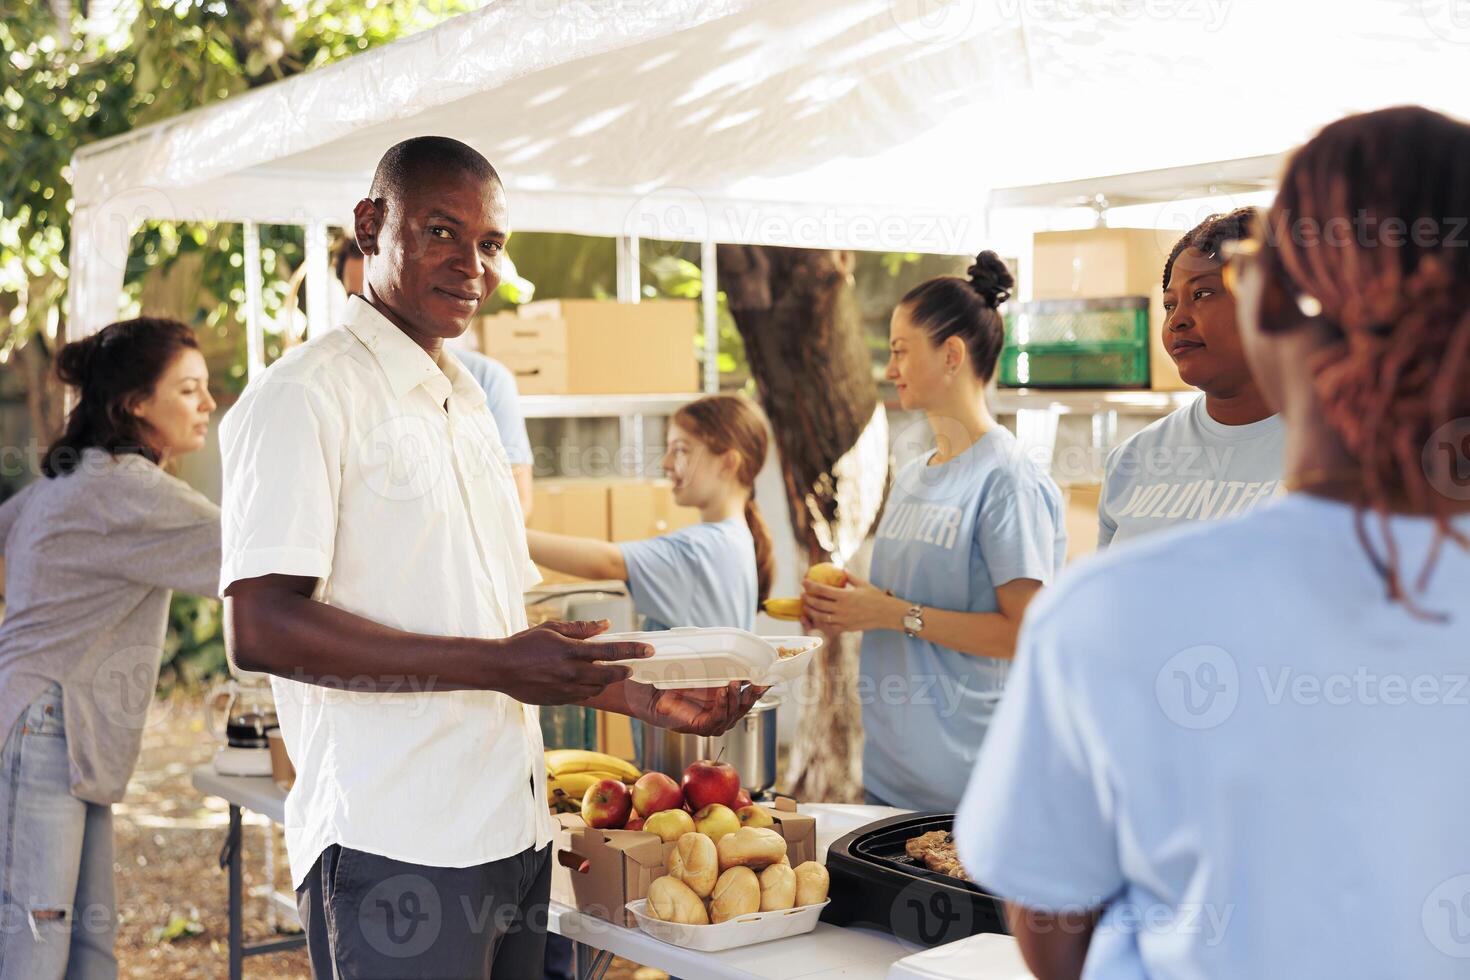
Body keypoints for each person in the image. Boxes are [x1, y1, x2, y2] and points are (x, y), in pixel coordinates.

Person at [219, 136, 759, 980]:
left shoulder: (467, 401)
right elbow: (262, 626)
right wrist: (499, 664)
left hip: (513, 830)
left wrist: (642, 695)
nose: (472, 264)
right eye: (441, 231)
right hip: (395, 843)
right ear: (371, 225)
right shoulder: (303, 396)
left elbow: (499, 630)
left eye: (491, 243)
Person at [957, 106, 1470, 980]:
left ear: (1267, 303)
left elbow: (1051, 922)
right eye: (1173, 301)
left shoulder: (1105, 613)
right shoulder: (1131, 513)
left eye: (1211, 289)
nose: (1181, 316)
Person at [803, 252, 1067, 812]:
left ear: (951, 355)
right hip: (890, 784)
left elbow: (1025, 633)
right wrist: (849, 604)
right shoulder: (915, 475)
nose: (889, 367)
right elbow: (903, 602)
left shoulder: (1008, 479)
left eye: (900, 350)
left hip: (978, 793)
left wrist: (888, 613)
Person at [0, 318, 221, 980]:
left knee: (87, 946)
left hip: (66, 730)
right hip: (44, 722)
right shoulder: (127, 487)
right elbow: (260, 558)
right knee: (36, 942)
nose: (208, 403)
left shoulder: (72, 479)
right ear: (133, 404)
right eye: (188, 390)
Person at [1097, 208, 1285, 547]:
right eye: (1169, 304)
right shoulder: (1133, 459)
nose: (1177, 320)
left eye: (1202, 294)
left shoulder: (1338, 454)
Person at [526, 394, 774, 632]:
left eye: (680, 450)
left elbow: (608, 562)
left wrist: (508, 534)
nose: (665, 463)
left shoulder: (702, 550)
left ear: (728, 462)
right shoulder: (734, 540)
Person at [336, 237, 536, 515]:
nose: (373, 310)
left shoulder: (485, 379)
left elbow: (518, 503)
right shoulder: (337, 388)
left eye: (380, 294)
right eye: (357, 298)